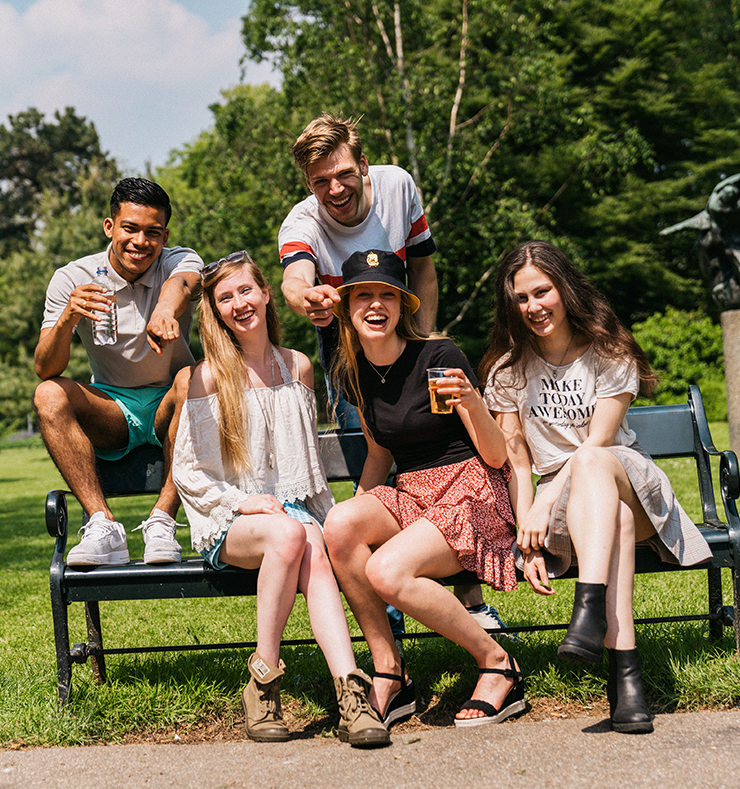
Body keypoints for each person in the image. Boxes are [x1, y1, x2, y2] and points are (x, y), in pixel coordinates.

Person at [278, 113, 503, 633]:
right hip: (347, 343)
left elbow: (423, 266)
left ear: (363, 164)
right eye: (319, 181)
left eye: (343, 174)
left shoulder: (399, 186)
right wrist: (307, 298)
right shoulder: (303, 220)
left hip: (409, 324)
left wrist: (422, 341)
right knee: (377, 447)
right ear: (307, 184)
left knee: (448, 443)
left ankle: (468, 595)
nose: (334, 189)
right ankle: (390, 593)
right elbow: (294, 277)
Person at [480, 241, 713, 734]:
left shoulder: (610, 351)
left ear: (564, 287)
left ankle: (588, 610)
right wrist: (527, 534)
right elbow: (519, 464)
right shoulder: (508, 371)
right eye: (522, 299)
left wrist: (544, 499)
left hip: (627, 478)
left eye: (542, 292)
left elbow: (600, 442)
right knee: (615, 521)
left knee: (591, 460)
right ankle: (624, 676)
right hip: (576, 510)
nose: (533, 307)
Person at [172, 251, 389, 748]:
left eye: (246, 291)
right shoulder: (208, 376)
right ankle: (263, 681)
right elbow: (188, 470)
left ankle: (350, 694)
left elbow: (306, 464)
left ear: (267, 294)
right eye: (225, 298)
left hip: (290, 514)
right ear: (216, 310)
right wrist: (244, 503)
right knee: (289, 533)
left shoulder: (299, 367)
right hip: (231, 521)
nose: (238, 304)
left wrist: (326, 522)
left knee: (306, 538)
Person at [322, 249, 525, 728]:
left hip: (471, 490)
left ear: (403, 306)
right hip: (413, 493)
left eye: (387, 295)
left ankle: (498, 664)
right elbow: (379, 456)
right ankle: (391, 672)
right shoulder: (353, 373)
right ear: (347, 308)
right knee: (339, 525)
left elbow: (497, 457)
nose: (376, 305)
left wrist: (473, 403)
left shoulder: (439, 355)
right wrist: (346, 529)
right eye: (364, 295)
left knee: (388, 572)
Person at [34, 178, 197, 568]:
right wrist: (68, 319)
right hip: (113, 409)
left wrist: (164, 311)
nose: (141, 241)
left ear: (165, 235)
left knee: (198, 376)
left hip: (171, 406)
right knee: (48, 394)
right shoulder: (73, 277)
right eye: (130, 228)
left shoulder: (179, 260)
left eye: (152, 232)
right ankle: (102, 524)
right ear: (110, 227)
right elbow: (45, 368)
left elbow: (182, 283)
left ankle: (162, 522)